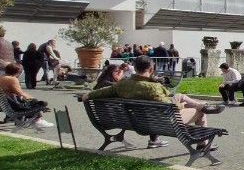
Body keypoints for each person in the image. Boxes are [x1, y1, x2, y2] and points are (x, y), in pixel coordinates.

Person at [85, 55, 221, 149]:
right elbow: (168, 107)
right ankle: (203, 141)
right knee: (200, 111)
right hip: (164, 122)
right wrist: (182, 105)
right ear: (150, 69)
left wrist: (88, 95)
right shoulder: (152, 87)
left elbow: (103, 92)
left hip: (140, 122)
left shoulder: (123, 84)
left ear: (135, 68)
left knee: (181, 97)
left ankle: (201, 104)